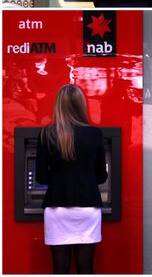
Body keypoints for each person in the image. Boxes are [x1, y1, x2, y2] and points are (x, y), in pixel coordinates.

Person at [36, 84, 108, 274]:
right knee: (85, 268)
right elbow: (101, 176)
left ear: (59, 106)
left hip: (57, 209)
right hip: (87, 208)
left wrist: (61, 178)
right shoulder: (95, 134)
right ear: (81, 105)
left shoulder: (46, 135)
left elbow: (41, 176)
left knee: (60, 268)